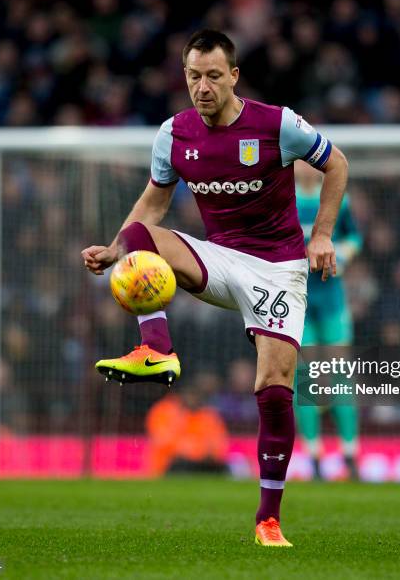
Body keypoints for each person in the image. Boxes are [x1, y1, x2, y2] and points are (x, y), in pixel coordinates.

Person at [82, 29, 349, 547]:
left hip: (278, 269)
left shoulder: (278, 124)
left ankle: (268, 519)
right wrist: (116, 249)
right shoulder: (174, 134)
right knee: (139, 236)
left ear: (233, 76)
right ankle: (156, 349)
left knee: (273, 389)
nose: (201, 87)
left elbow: (337, 163)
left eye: (211, 76)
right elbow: (154, 202)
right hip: (222, 259)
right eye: (192, 76)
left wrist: (322, 235)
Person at [294, 160, 362, 480]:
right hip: (299, 298)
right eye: (300, 162)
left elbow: (354, 237)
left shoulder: (337, 198)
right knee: (307, 376)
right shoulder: (284, 200)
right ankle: (315, 456)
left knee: (338, 375)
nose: (306, 169)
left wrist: (343, 256)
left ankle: (350, 454)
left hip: (331, 297)